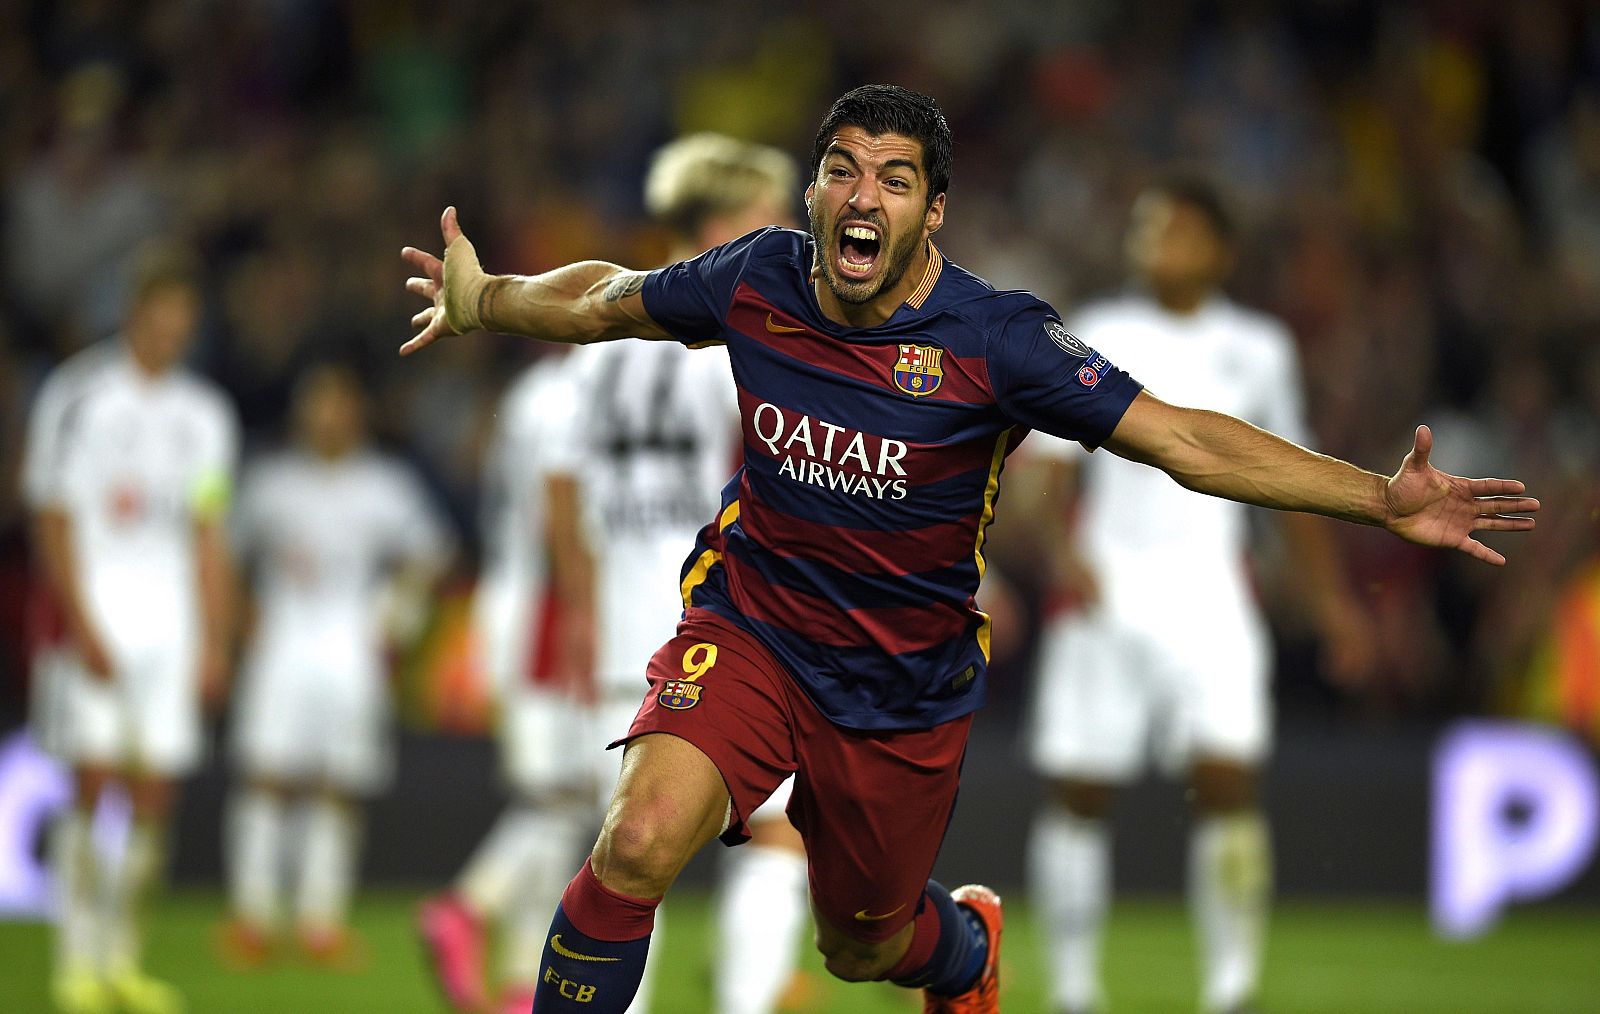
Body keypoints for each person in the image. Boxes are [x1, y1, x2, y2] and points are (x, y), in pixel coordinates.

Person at [398, 85, 1538, 1013]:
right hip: (748, 632)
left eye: (894, 179)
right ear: (811, 189)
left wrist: (1376, 501)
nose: (862, 195)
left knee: (860, 944)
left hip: (898, 692)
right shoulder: (758, 277)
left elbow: (1185, 441)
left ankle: (963, 946)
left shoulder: (998, 341)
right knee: (636, 840)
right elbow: (608, 299)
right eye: (842, 168)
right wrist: (490, 298)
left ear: (932, 212)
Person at [1023, 178, 1372, 1014]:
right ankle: (1074, 990)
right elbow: (1043, 468)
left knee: (1227, 782)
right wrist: (1065, 553)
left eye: (1175, 231)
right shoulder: (1097, 331)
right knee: (1081, 790)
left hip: (1213, 596)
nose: (1155, 245)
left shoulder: (1259, 348)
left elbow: (1291, 482)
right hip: (1107, 593)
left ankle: (1231, 987)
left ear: (1219, 249)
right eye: (1146, 230)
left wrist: (1333, 604)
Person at [557, 133, 813, 1014]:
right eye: (768, 218)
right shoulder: (737, 337)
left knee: (630, 862)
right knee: (779, 835)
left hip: (619, 621)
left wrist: (581, 613)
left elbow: (562, 494)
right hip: (721, 628)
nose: (787, 236)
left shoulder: (593, 335)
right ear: (721, 224)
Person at [25, 244, 238, 1014]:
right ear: (134, 315)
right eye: (159, 318)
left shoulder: (204, 416)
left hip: (170, 622)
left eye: (183, 322)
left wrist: (213, 639)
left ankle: (122, 957)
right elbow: (51, 517)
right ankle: (74, 961)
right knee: (91, 783)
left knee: (153, 794)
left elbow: (208, 531)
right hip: (98, 608)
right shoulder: (79, 396)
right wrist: (80, 622)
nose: (170, 334)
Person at [220, 364, 452, 970]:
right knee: (267, 775)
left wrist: (394, 619)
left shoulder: (384, 484)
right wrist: (240, 623)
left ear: (357, 413)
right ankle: (253, 918)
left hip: (350, 647)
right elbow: (227, 554)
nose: (328, 415)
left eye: (339, 403)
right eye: (318, 402)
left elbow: (431, 554)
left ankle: (320, 921)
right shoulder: (270, 481)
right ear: (302, 411)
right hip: (281, 643)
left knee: (339, 785)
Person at [417, 340, 598, 1014]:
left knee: (559, 798)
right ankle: (468, 905)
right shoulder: (569, 397)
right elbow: (560, 514)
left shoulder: (531, 395)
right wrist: (582, 616)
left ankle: (523, 983)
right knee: (571, 796)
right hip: (548, 612)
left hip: (525, 602)